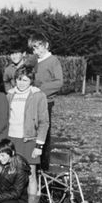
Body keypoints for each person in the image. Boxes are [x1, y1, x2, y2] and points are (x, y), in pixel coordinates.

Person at [7, 66, 49, 203]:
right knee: (12, 175)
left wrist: (39, 145)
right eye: (19, 79)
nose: (22, 83)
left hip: (29, 139)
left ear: (31, 80)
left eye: (25, 80)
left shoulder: (38, 95)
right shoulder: (10, 95)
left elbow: (44, 122)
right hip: (12, 138)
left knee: (30, 175)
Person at [28, 33, 63, 171]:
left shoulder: (53, 61)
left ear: (46, 45)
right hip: (33, 101)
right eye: (33, 49)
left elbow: (59, 82)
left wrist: (40, 91)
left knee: (44, 135)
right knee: (33, 132)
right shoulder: (34, 61)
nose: (36, 51)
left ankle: (43, 168)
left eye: (38, 48)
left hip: (46, 102)